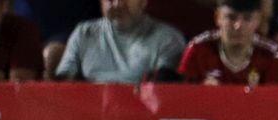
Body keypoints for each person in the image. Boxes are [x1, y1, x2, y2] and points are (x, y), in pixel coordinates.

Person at [56, 0, 186, 81]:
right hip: (90, 115)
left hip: (142, 117)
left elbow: (165, 96)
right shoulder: (84, 34)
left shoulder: (168, 39)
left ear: (143, 1)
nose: (117, 4)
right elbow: (64, 85)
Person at [179, 0, 278, 83]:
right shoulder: (197, 49)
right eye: (231, 18)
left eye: (247, 19)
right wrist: (201, 94)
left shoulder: (272, 55)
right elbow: (181, 101)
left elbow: (275, 105)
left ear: (258, 20)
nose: (238, 26)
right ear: (218, 18)